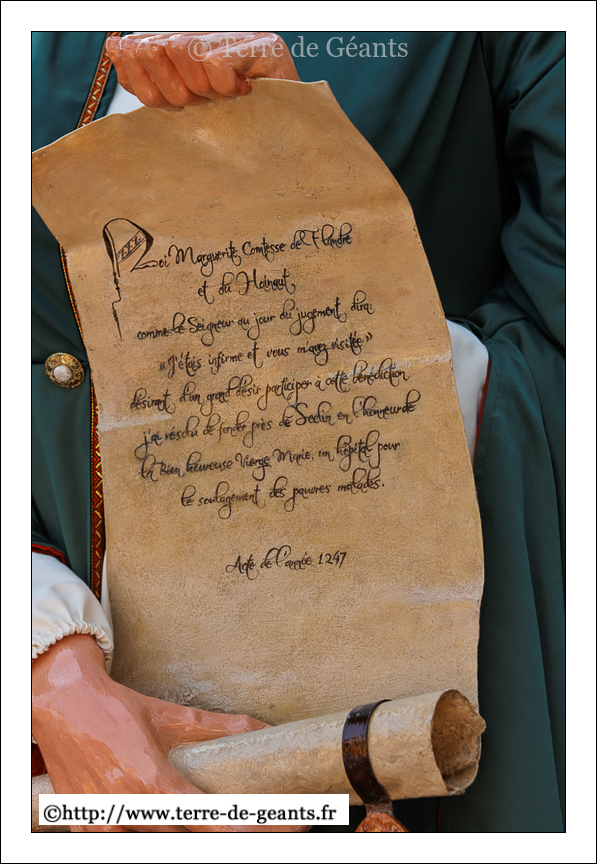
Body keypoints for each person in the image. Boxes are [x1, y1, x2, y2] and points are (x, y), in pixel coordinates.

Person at [32, 31, 564, 832]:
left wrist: (304, 199)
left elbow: (562, 333)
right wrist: (49, 667)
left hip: (438, 683)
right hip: (68, 725)